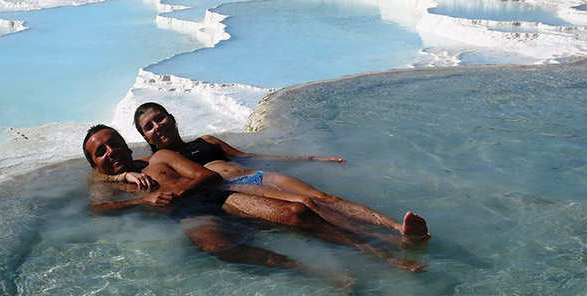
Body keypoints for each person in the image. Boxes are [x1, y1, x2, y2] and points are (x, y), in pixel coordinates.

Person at [82, 125, 425, 284]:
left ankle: (388, 256)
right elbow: (97, 210)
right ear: (94, 165)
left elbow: (207, 176)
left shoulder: (160, 158)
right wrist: (142, 197)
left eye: (114, 144)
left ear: (127, 144)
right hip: (190, 215)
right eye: (101, 152)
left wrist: (176, 193)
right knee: (218, 248)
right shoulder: (102, 184)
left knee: (300, 211)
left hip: (214, 197)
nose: (111, 152)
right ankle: (317, 272)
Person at [132, 102, 429, 246]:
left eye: (160, 118)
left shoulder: (206, 140)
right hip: (234, 189)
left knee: (325, 197)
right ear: (146, 137)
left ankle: (397, 227)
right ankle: (381, 240)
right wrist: (123, 177)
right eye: (149, 127)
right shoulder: (155, 161)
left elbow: (249, 156)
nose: (158, 126)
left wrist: (312, 158)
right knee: (308, 205)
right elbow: (120, 171)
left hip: (258, 175)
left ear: (171, 118)